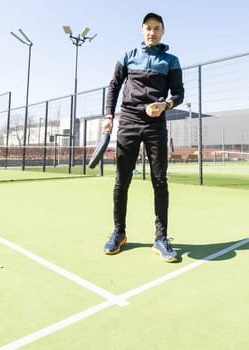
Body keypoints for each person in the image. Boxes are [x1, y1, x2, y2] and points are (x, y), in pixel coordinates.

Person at [102, 12, 184, 263]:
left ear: (163, 31)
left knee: (160, 181)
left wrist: (166, 105)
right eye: (148, 28)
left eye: (157, 28)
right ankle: (119, 232)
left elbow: (178, 93)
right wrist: (108, 115)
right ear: (142, 31)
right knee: (121, 181)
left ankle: (161, 238)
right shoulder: (128, 56)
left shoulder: (171, 60)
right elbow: (114, 86)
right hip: (128, 121)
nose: (152, 32)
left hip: (155, 125)